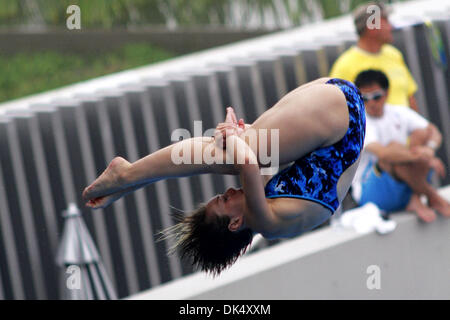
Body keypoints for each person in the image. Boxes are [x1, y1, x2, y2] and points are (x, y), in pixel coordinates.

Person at [82, 77, 366, 275]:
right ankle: (128, 175)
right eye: (222, 200)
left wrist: (238, 135)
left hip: (339, 109)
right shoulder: (266, 221)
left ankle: (133, 179)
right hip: (338, 114)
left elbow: (259, 164)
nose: (228, 192)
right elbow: (247, 163)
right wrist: (234, 137)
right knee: (228, 154)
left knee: (238, 149)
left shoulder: (272, 215)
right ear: (235, 224)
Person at [352, 69, 450, 223]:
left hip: (403, 179)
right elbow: (383, 154)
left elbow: (433, 132)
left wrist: (429, 149)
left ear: (387, 93)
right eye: (365, 98)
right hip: (371, 192)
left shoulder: (398, 112)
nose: (371, 103)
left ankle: (414, 198)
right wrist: (423, 156)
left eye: (376, 97)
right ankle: (432, 196)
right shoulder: (359, 122)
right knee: (393, 150)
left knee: (420, 135)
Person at [329, 1, 420, 111]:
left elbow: (410, 97)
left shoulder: (394, 54)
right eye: (385, 21)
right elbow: (340, 109)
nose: (391, 27)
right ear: (372, 26)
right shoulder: (344, 66)